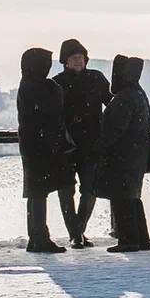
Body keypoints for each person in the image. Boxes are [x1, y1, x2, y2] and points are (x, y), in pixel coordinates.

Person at [53, 38, 112, 248]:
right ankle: (75, 234)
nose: (78, 60)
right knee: (66, 190)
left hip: (92, 145)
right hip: (66, 146)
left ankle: (78, 230)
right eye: (73, 57)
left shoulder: (97, 79)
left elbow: (111, 104)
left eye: (81, 57)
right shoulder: (57, 83)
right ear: (65, 61)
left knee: (90, 189)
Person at [17, 47, 75, 253]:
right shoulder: (38, 87)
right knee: (39, 193)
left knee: (36, 193)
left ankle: (36, 236)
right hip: (42, 147)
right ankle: (40, 238)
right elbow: (52, 111)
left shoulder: (29, 84)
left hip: (34, 146)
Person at [94, 54, 150, 253]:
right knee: (132, 196)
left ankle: (128, 240)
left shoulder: (125, 97)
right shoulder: (138, 93)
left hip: (122, 155)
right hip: (136, 154)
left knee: (122, 197)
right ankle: (141, 238)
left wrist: (99, 146)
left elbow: (114, 129)